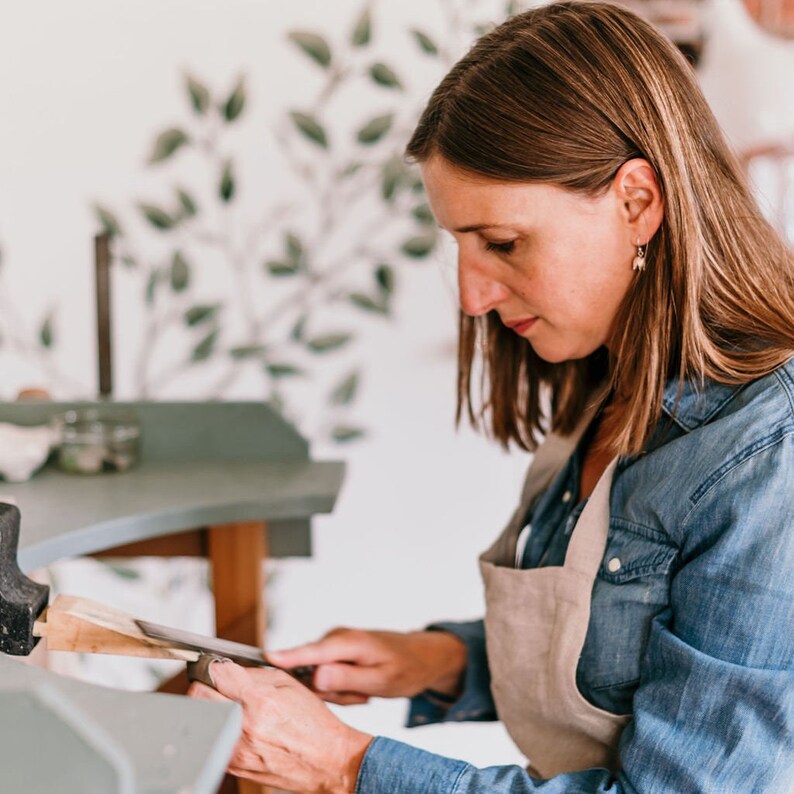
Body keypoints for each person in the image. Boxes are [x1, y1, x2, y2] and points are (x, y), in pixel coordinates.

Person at [189, 2, 794, 791]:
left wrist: (345, 765)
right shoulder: (609, 385)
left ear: (637, 201)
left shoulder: (766, 454)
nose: (473, 297)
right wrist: (441, 661)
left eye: (504, 243)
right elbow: (629, 646)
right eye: (462, 247)